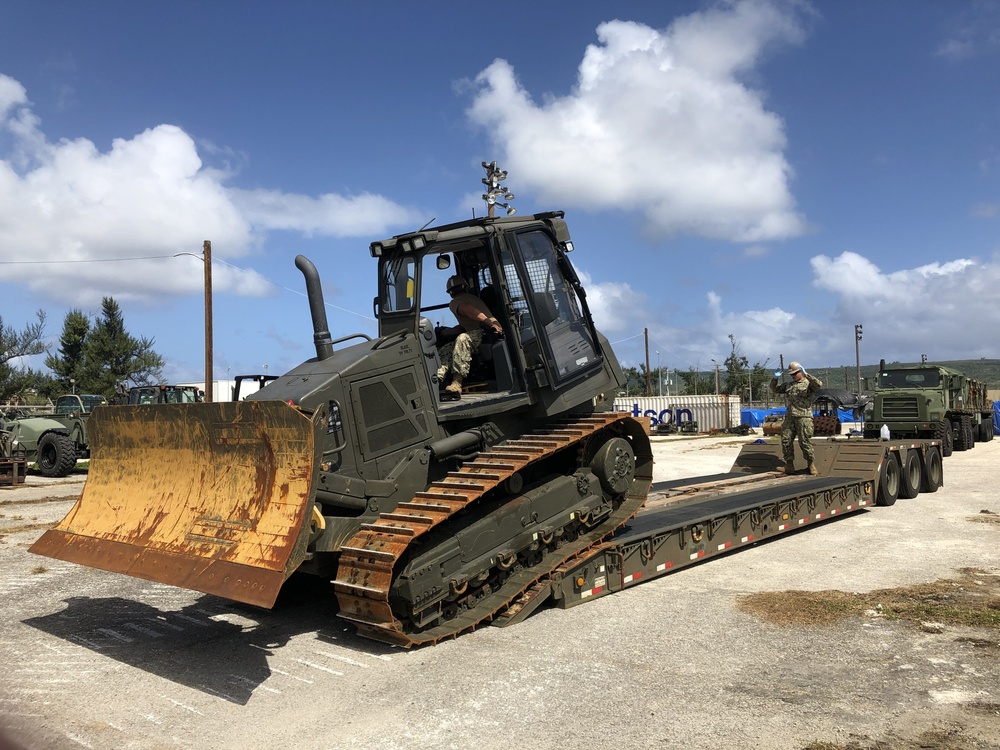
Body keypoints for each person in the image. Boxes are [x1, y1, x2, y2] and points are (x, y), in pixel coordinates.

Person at [436, 275, 503, 398]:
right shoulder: (472, 298)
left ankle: (456, 382)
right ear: (465, 287)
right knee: (447, 349)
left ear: (450, 292)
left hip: (486, 331)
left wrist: (490, 324)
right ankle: (436, 379)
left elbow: (469, 311)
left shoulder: (455, 302)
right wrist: (446, 332)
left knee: (462, 339)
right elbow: (466, 324)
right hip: (483, 331)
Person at [771, 361, 823, 475]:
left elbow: (819, 384)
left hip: (804, 417)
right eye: (791, 374)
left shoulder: (808, 384)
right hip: (790, 417)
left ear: (801, 372)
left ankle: (811, 465)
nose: (793, 376)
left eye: (795, 373)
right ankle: (789, 465)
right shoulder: (789, 385)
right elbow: (775, 389)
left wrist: (807, 374)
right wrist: (775, 378)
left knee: (804, 442)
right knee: (786, 440)